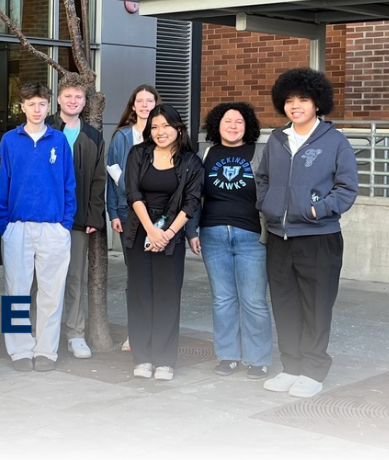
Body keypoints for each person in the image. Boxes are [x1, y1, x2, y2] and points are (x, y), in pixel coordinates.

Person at [257, 68, 358, 398]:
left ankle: (314, 371)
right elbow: (263, 180)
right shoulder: (276, 139)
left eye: (302, 99)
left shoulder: (335, 141)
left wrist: (316, 210)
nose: (295, 105)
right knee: (285, 305)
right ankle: (291, 367)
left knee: (315, 306)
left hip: (318, 238)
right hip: (279, 236)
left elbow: (346, 190)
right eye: (289, 100)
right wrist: (268, 205)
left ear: (317, 103)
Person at [185, 102, 272, 380]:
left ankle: (258, 359)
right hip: (212, 235)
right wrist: (192, 230)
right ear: (216, 126)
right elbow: (194, 196)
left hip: (251, 236)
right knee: (222, 299)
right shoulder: (206, 154)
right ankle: (228, 355)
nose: (233, 126)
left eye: (238, 122)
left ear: (248, 126)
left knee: (254, 301)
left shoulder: (260, 153)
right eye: (227, 121)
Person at [0, 82, 76, 372]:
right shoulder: (9, 140)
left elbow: (69, 184)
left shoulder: (59, 140)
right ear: (22, 107)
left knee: (52, 293)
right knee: (16, 290)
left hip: (53, 228)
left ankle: (45, 350)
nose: (37, 109)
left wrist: (65, 223)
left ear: (48, 106)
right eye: (32, 104)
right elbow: (1, 184)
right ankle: (19, 350)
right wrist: (4, 224)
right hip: (17, 226)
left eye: (42, 103)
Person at [123, 104, 203, 381]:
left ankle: (165, 360)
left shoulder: (191, 161)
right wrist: (151, 231)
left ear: (178, 128)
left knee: (168, 298)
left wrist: (166, 234)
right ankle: (142, 358)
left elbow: (192, 202)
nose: (160, 132)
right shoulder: (138, 154)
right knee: (140, 296)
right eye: (155, 126)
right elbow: (132, 193)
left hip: (173, 236)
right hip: (139, 233)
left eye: (166, 126)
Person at [48, 74, 106, 359]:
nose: (73, 101)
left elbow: (98, 179)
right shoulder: (43, 128)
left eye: (78, 98)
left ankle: (75, 333)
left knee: (75, 278)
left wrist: (94, 217)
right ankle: (41, 331)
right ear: (58, 99)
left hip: (78, 218)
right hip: (44, 218)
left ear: (85, 103)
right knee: (41, 279)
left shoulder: (93, 136)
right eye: (68, 96)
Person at [106, 84, 160, 352]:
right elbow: (113, 174)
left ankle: (157, 331)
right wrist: (113, 211)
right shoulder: (122, 137)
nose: (145, 105)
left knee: (156, 274)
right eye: (140, 101)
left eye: (150, 101)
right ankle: (135, 332)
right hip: (128, 215)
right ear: (133, 105)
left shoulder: (163, 134)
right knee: (135, 275)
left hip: (159, 216)